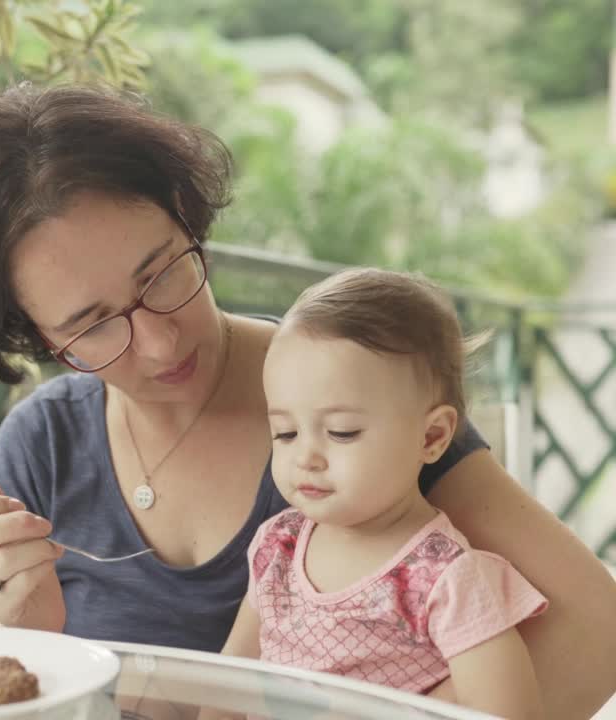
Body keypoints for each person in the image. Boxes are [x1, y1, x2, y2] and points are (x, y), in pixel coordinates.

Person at [0, 83, 616, 717]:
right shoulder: (44, 444)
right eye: (92, 326)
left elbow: (603, 639)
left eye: (160, 274)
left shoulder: (352, 397)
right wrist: (31, 636)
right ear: (33, 338)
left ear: (190, 218)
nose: (160, 344)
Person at [220, 268, 545, 718]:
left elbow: (508, 711)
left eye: (342, 431)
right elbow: (226, 682)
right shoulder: (277, 546)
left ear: (431, 437)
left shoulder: (441, 577)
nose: (306, 457)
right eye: (287, 432)